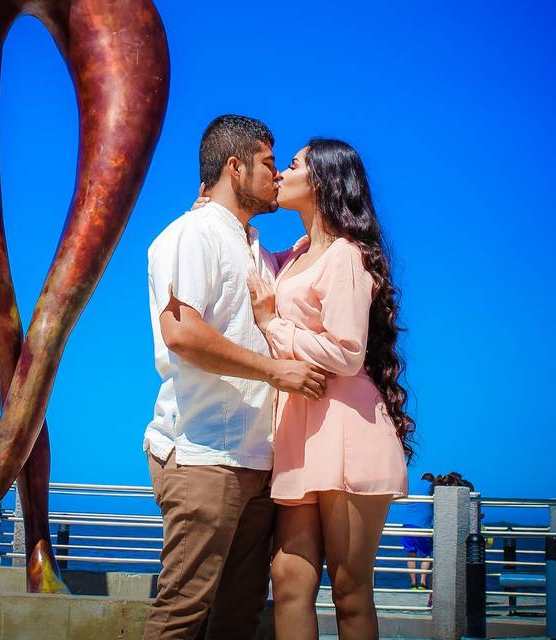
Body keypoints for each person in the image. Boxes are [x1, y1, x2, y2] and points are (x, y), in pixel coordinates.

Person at [143, 115, 330, 640]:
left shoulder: (258, 249)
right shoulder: (191, 233)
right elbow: (182, 333)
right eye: (270, 163)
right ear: (235, 166)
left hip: (259, 462)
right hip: (204, 455)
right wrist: (277, 371)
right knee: (182, 611)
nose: (276, 175)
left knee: (239, 617)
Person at [242, 139, 414, 639]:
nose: (280, 173)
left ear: (320, 180)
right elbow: (249, 257)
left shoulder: (346, 256)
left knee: (349, 587)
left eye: (291, 165)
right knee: (289, 579)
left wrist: (274, 326)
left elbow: (347, 353)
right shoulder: (293, 255)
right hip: (299, 429)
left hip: (346, 431)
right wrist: (219, 207)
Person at [401, 472, 435, 590]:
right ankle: (422, 582)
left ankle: (413, 584)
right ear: (432, 480)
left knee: (411, 554)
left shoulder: (412, 486)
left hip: (407, 525)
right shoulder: (432, 487)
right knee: (427, 555)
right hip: (422, 526)